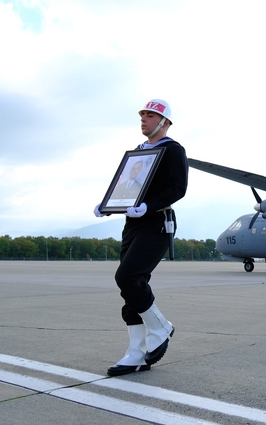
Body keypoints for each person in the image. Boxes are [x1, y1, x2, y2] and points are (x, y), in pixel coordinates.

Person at [93, 99, 188, 377]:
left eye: (151, 115)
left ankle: (160, 327)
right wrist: (107, 205)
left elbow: (178, 188)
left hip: (157, 222)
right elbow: (127, 187)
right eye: (142, 115)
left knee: (127, 277)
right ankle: (136, 354)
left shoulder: (173, 150)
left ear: (165, 122)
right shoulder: (139, 152)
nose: (144, 119)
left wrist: (149, 206)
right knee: (132, 288)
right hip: (133, 224)